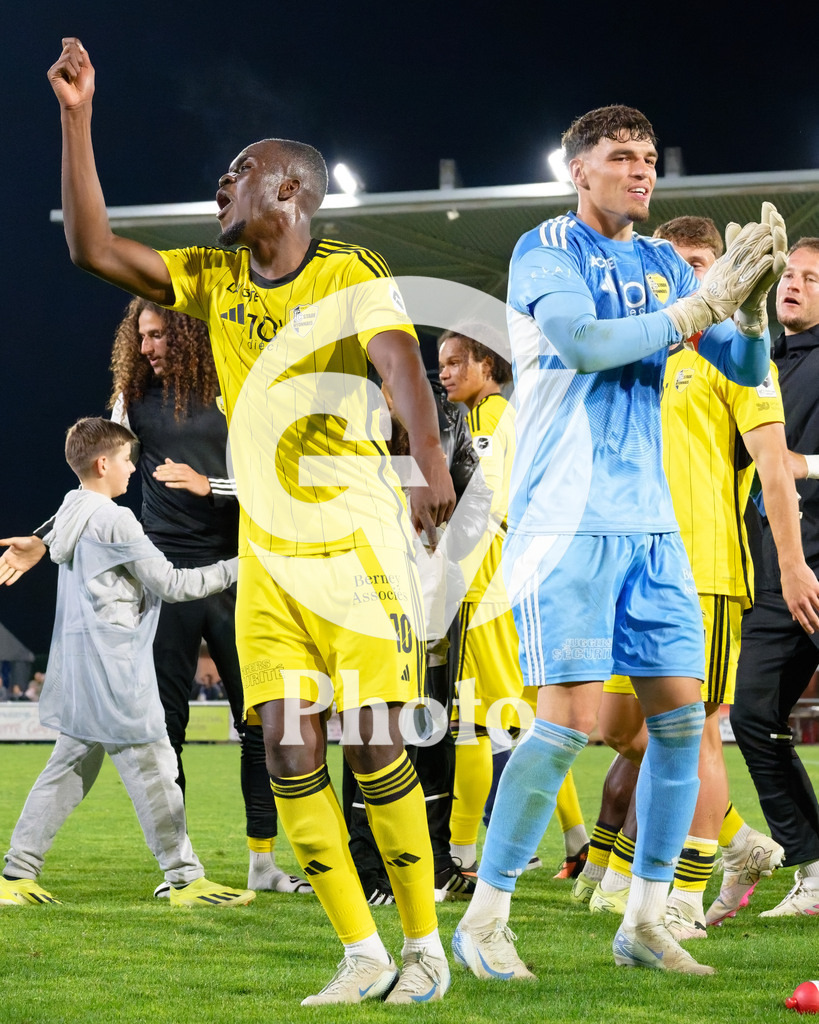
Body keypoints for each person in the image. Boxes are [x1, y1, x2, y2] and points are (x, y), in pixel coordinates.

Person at [48, 37, 455, 1006]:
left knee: (371, 740)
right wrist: (77, 117)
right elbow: (93, 249)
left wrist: (428, 462)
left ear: (289, 192)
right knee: (284, 749)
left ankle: (424, 947)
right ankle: (361, 951)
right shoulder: (211, 277)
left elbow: (401, 365)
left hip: (352, 538)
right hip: (266, 553)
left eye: (238, 175)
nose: (220, 186)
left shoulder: (351, 269)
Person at [451, 104, 784, 980]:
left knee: (678, 725)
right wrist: (698, 305)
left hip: (652, 526)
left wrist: (743, 312)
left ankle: (642, 921)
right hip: (567, 522)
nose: (639, 170)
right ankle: (484, 919)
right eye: (619, 156)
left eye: (646, 157)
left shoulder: (655, 261)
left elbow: (743, 369)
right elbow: (583, 341)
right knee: (565, 725)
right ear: (577, 170)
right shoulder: (546, 251)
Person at [0, 299, 310, 897]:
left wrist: (211, 484)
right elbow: (87, 489)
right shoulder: (130, 400)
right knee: (161, 730)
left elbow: (278, 477)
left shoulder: (237, 387)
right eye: (141, 337)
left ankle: (261, 862)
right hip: (161, 571)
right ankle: (181, 872)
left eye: (159, 334)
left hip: (232, 573)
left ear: (190, 335)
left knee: (259, 723)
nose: (147, 348)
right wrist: (42, 542)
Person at [579, 216, 819, 935]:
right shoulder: (638, 349)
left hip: (701, 570)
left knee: (697, 732)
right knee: (614, 726)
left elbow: (775, 469)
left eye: (700, 263)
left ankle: (680, 898)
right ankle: (739, 838)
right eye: (675, 262)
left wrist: (790, 561)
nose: (688, 276)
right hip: (627, 567)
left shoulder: (739, 357)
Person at [0, 418, 254, 909]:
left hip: (80, 663)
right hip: (115, 668)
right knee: (154, 766)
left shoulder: (70, 508)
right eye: (125, 460)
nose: (134, 469)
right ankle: (184, 879)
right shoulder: (115, 519)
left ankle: (16, 874)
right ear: (102, 464)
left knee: (69, 765)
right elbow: (173, 586)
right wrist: (245, 564)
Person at [437, 329, 588, 879]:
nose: (446, 373)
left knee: (479, 728)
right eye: (443, 364)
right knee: (530, 723)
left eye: (457, 362)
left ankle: (464, 854)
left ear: (487, 365)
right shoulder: (512, 417)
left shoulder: (486, 422)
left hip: (488, 586)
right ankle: (577, 838)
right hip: (523, 585)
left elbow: (485, 501)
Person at [731, 238, 819, 916]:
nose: (794, 285)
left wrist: (804, 466)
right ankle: (812, 869)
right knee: (755, 721)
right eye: (788, 274)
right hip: (771, 575)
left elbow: (787, 463)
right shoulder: (751, 360)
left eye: (810, 278)